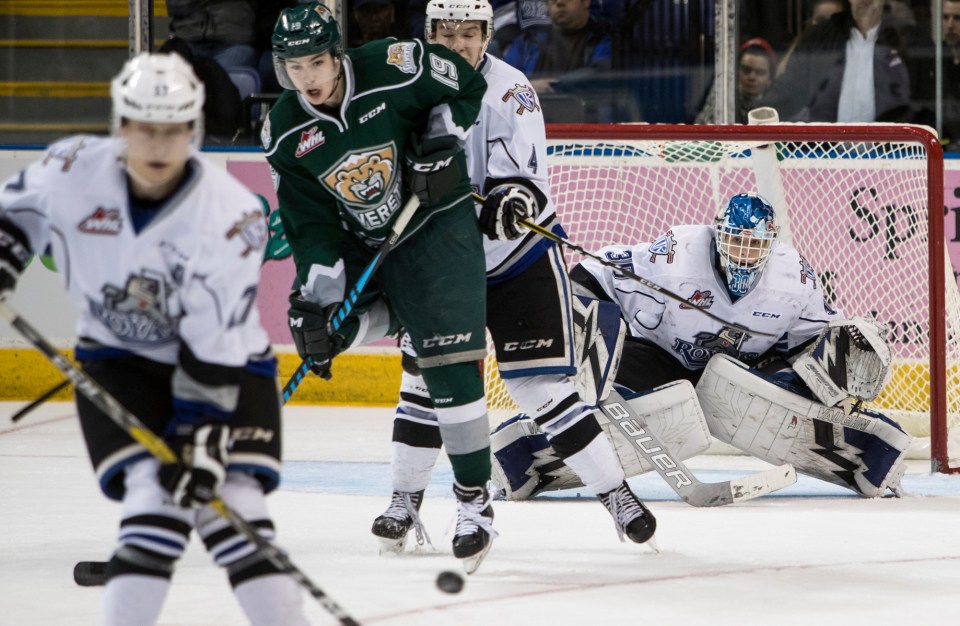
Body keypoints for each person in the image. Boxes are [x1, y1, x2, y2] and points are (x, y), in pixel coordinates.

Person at [0, 53, 308, 625]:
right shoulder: (69, 169)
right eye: (145, 128)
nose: (158, 145)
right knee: (153, 498)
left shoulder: (231, 214)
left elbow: (212, 342)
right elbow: (16, 215)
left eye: (173, 130)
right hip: (119, 362)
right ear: (121, 125)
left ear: (192, 128)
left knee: (234, 507)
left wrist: (201, 440)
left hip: (229, 368)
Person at [368, 0, 656, 556]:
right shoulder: (404, 87)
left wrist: (506, 200)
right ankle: (405, 501)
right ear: (429, 34)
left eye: (470, 33)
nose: (457, 44)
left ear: (486, 35)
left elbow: (524, 181)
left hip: (518, 258)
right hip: (444, 265)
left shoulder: (511, 90)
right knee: (425, 386)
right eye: (446, 33)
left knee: (543, 389)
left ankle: (617, 497)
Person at [262, 2, 499, 572]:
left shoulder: (399, 64)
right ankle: (365, 324)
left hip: (434, 227)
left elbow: (465, 86)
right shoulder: (285, 133)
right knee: (332, 325)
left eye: (317, 62)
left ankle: (476, 503)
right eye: (295, 68)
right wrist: (312, 302)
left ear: (337, 55)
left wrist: (443, 140)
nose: (308, 79)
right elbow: (311, 228)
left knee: (445, 366)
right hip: (364, 241)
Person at [495, 193, 907, 499]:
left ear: (772, 244)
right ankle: (538, 446)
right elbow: (592, 273)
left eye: (755, 245)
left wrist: (842, 369)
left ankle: (852, 442)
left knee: (779, 377)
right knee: (663, 404)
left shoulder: (793, 277)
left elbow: (815, 340)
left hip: (745, 373)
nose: (744, 255)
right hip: (658, 361)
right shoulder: (676, 254)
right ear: (717, 234)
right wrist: (579, 323)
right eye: (735, 241)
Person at [758, 0, 932, 123]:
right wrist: (757, 117)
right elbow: (789, 91)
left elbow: (928, 104)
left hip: (894, 162)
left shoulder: (910, 39)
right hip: (827, 161)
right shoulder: (819, 37)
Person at [503, 0, 611, 99]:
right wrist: (529, 87)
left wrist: (551, 86)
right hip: (531, 115)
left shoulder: (604, 38)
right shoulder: (527, 42)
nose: (559, 2)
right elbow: (504, 83)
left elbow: (600, 74)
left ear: (586, 1)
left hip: (588, 115)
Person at [695, 37, 778, 124]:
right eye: (746, 70)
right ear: (736, 72)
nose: (752, 77)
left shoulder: (778, 106)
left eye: (759, 72)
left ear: (769, 79)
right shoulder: (721, 100)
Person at [940, 0, 960, 151]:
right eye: (946, 17)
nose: (950, 25)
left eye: (957, 18)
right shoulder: (933, 56)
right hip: (943, 144)